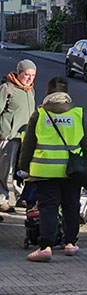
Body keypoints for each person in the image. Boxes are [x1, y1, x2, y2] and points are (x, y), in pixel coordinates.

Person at [18, 77, 87, 262]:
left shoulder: (40, 114)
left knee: (48, 208)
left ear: (48, 95)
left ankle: (46, 247)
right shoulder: (78, 113)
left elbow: (28, 145)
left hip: (45, 171)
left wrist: (22, 168)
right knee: (71, 206)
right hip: (72, 171)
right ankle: (70, 244)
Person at [0, 59, 37, 212]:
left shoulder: (30, 90)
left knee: (20, 169)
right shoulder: (7, 88)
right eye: (27, 74)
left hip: (24, 137)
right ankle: (2, 199)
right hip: (8, 136)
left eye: (33, 75)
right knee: (4, 170)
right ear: (19, 73)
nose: (29, 78)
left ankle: (21, 197)